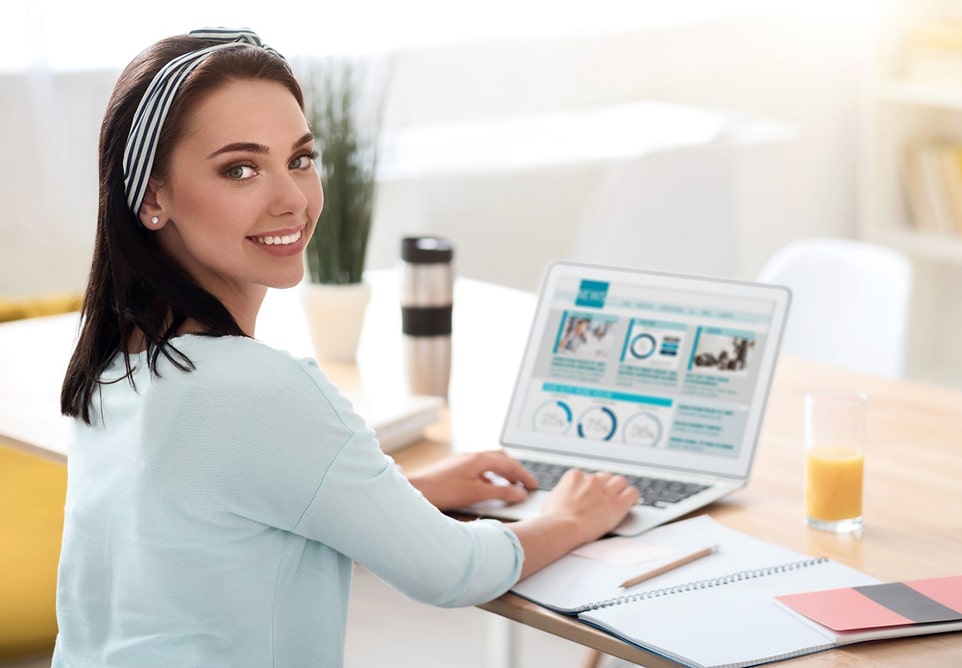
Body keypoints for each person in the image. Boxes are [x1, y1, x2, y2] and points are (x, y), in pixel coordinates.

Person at [54, 29, 638, 667]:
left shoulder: (112, 369)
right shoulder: (258, 388)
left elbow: (212, 525)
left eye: (300, 158)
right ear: (153, 196)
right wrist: (573, 516)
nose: (292, 200)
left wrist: (402, 493)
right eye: (240, 169)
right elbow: (455, 571)